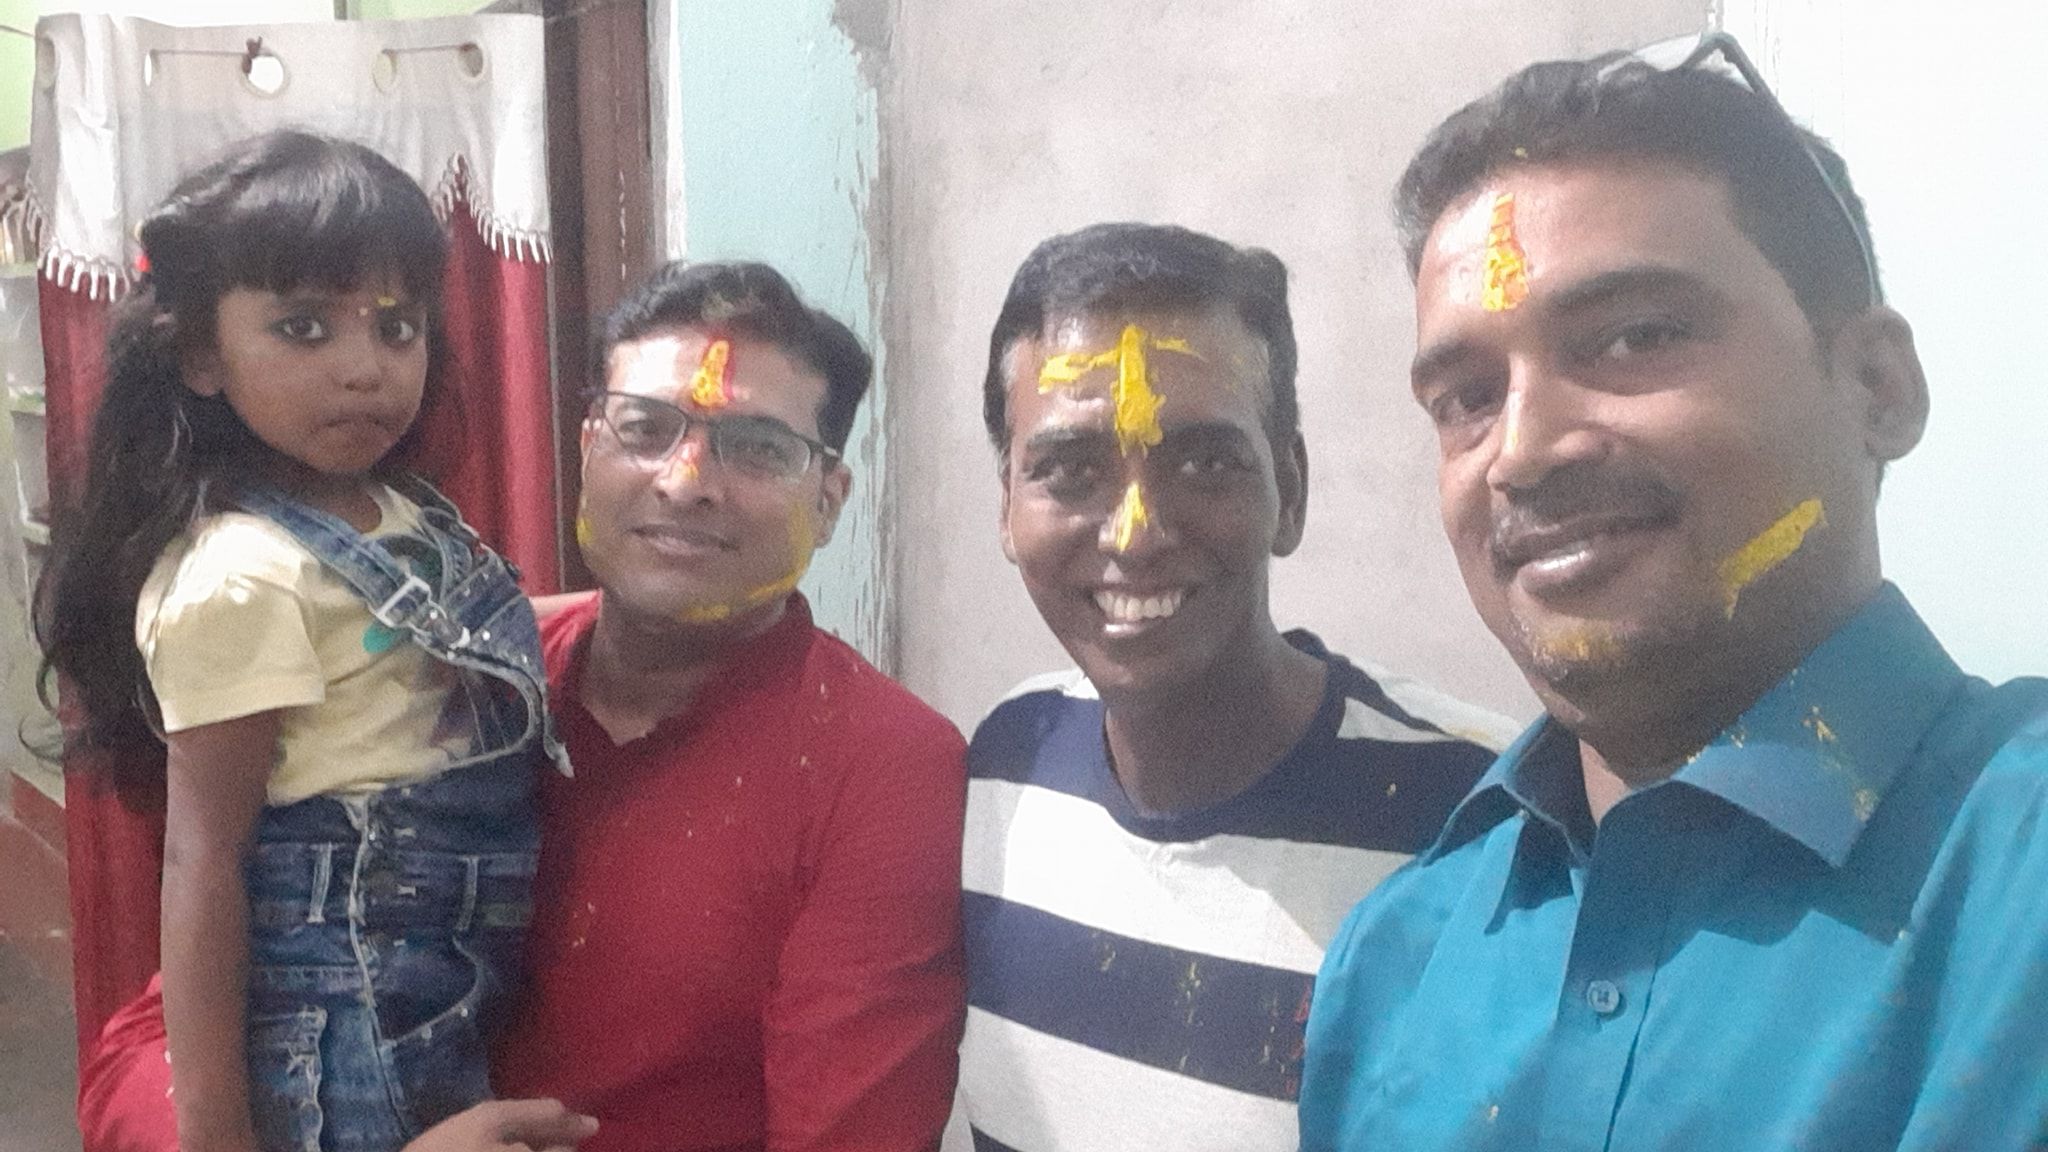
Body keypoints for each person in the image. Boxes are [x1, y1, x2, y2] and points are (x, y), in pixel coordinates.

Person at [1299, 34, 2048, 1152]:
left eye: (1633, 337)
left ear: (1877, 389)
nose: (1520, 452)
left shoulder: (2015, 880)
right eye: (1466, 397)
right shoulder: (1395, 956)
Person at [75, 260, 970, 1152]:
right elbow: (144, 1052)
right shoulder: (456, 671)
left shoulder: (883, 765)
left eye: (759, 448)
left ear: (829, 500)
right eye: (644, 428)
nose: (685, 480)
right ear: (586, 449)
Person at [38, 130, 566, 1152]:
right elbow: (203, 858)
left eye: (397, 327)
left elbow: (411, 652)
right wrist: (215, 1134)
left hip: (447, 988)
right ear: (200, 354)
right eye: (304, 328)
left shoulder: (402, 513)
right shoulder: (240, 575)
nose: (366, 369)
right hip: (337, 1028)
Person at [947, 222, 1508, 1152]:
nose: (1134, 533)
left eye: (1205, 462)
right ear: (1007, 504)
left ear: (1291, 488)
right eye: (1069, 470)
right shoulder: (1004, 766)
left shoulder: (1489, 817)